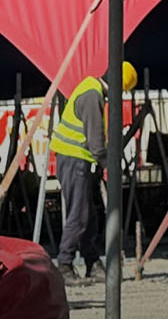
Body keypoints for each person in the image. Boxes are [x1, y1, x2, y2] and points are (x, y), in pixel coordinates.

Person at [51, 62, 138, 284]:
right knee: (79, 214)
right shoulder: (92, 95)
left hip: (77, 159)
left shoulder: (91, 87)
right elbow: (96, 142)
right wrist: (109, 166)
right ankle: (64, 263)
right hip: (73, 159)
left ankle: (92, 262)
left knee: (88, 215)